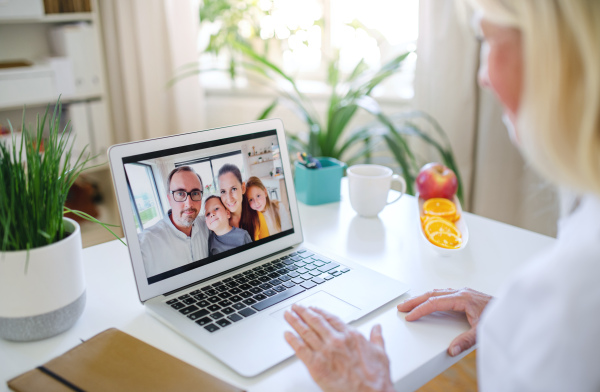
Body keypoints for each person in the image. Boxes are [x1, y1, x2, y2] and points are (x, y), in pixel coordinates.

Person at [283, 1, 600, 391]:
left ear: (555, 52)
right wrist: (512, 316)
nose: (483, 77)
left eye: (487, 38)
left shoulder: (574, 292)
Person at [138, 166, 209, 276]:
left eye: (195, 193)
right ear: (169, 199)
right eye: (180, 193)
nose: (189, 203)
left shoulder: (208, 225)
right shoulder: (145, 244)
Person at [217, 164, 269, 241]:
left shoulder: (257, 217)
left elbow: (268, 248)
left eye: (233, 189)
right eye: (223, 191)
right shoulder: (218, 222)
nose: (229, 198)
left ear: (243, 188)